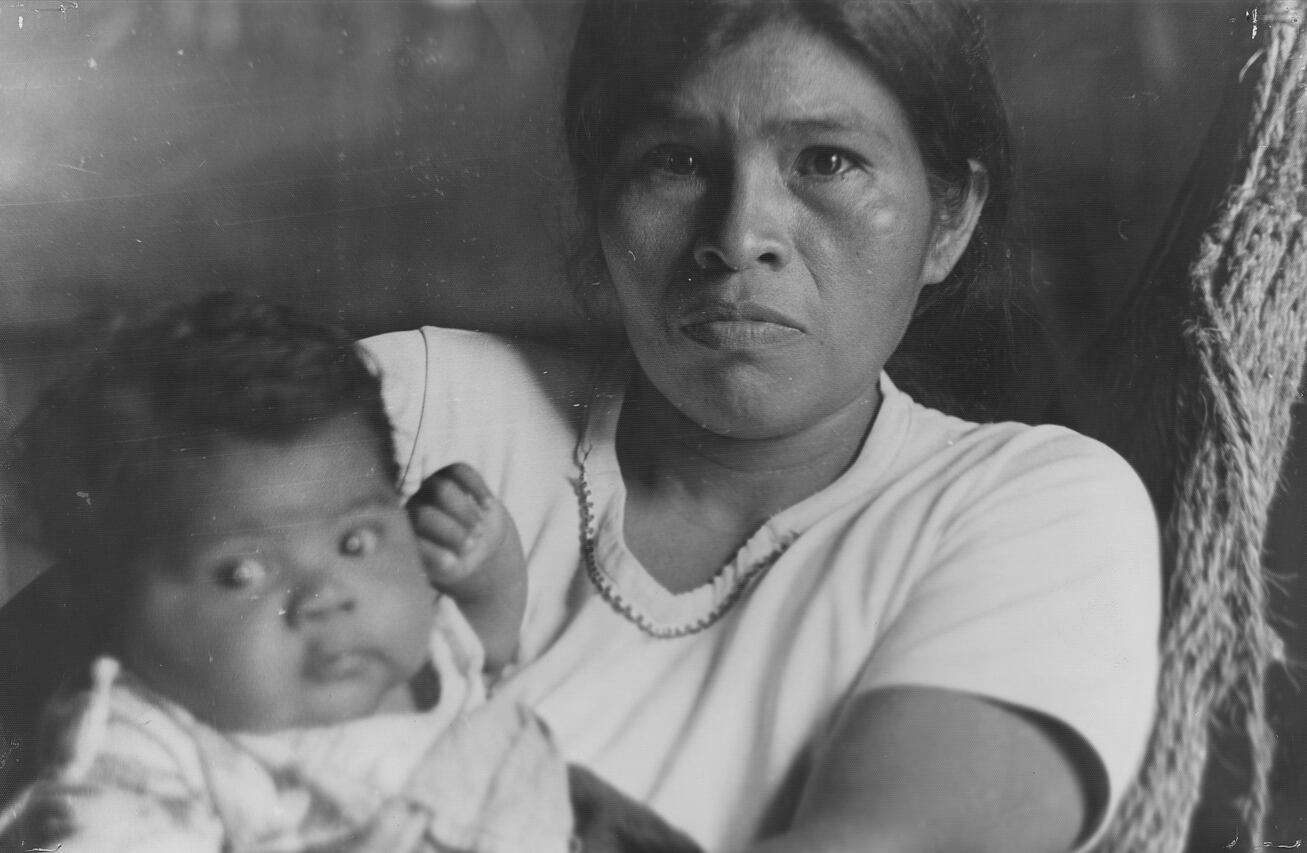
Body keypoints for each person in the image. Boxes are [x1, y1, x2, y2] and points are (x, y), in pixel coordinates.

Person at [373, 2, 1162, 852]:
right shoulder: (416, 411)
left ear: (949, 218)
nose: (739, 237)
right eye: (674, 161)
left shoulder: (1020, 509)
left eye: (827, 161)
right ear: (599, 198)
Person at [0, 292, 697, 853]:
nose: (327, 595)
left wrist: (485, 569)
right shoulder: (145, 752)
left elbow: (478, 648)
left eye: (357, 541)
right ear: (110, 603)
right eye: (242, 571)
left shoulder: (392, 653)